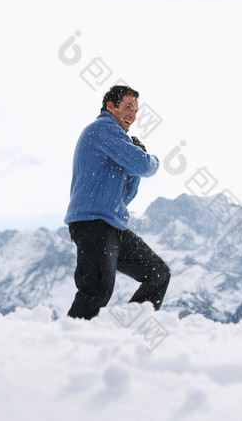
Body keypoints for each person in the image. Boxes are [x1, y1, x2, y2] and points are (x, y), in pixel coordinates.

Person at [65, 85, 170, 319]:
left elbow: (125, 197)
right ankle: (67, 342)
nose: (133, 114)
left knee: (158, 274)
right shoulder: (102, 129)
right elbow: (145, 166)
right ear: (110, 106)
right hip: (93, 224)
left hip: (113, 226)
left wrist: (134, 163)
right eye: (128, 106)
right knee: (96, 291)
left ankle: (131, 327)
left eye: (136, 110)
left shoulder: (115, 143)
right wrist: (147, 158)